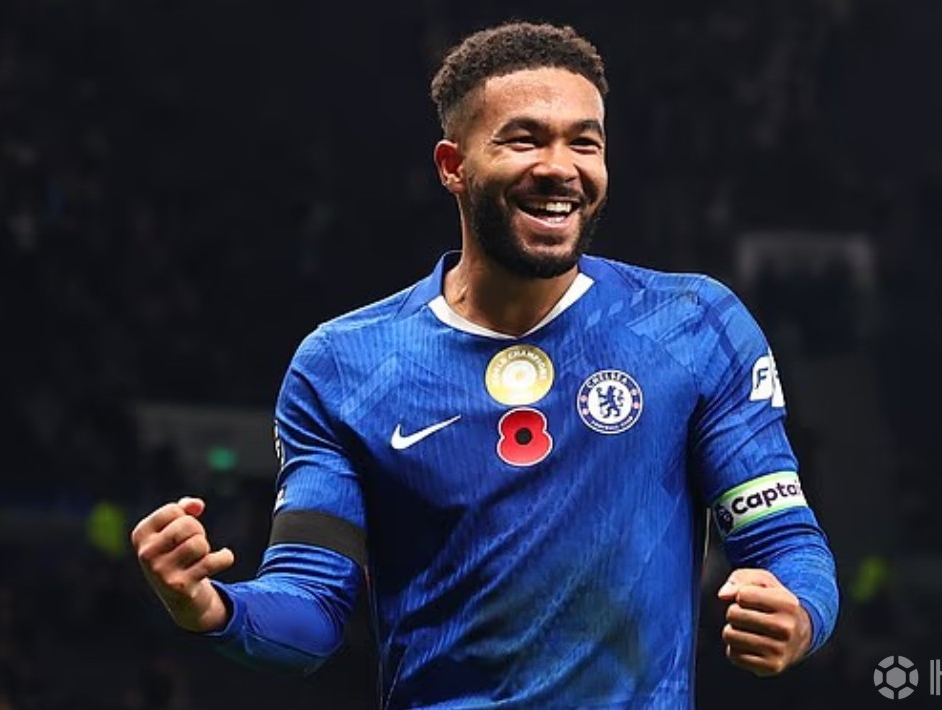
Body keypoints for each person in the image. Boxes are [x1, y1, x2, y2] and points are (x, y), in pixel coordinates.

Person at [131, 20, 839, 708]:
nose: (559, 167)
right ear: (453, 167)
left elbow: (786, 542)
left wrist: (799, 613)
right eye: (524, 139)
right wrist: (212, 606)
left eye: (584, 143)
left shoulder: (693, 326)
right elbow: (310, 606)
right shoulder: (344, 365)